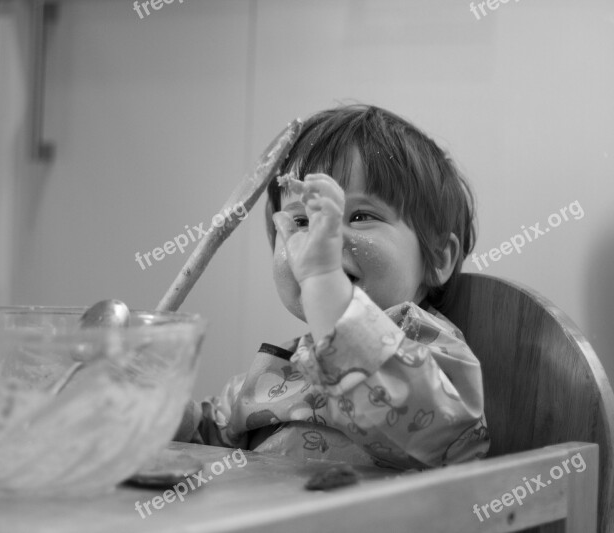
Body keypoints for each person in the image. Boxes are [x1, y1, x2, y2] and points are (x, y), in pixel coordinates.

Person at [174, 105, 490, 469]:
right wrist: (158, 410)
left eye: (360, 216)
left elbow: (437, 434)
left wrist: (325, 281)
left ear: (438, 258)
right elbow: (207, 441)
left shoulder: (434, 350)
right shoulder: (280, 368)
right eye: (301, 221)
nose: (323, 237)